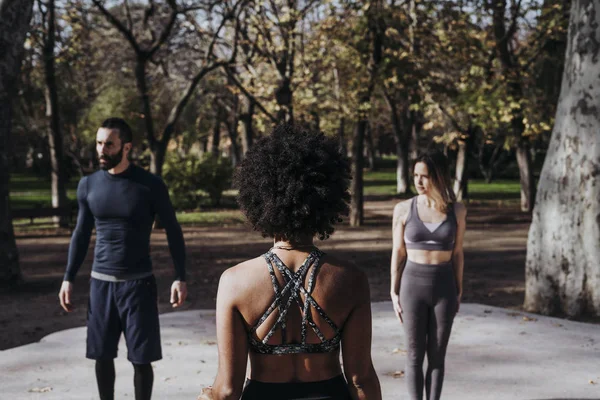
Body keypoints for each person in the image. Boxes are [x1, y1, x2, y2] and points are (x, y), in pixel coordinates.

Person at [203, 124, 381, 400]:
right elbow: (361, 380)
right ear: (327, 198)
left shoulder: (235, 281)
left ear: (260, 198)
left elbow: (227, 390)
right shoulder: (350, 279)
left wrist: (207, 396)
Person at [58, 117, 188, 400]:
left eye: (109, 144)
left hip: (138, 286)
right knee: (102, 357)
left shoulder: (150, 185)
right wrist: (68, 278)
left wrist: (180, 276)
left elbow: (174, 231)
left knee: (141, 360)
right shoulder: (88, 185)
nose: (102, 150)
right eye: (99, 143)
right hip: (101, 284)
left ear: (126, 147)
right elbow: (81, 235)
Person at [389, 151, 466, 400]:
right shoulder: (403, 209)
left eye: (425, 176)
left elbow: (458, 254)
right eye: (416, 176)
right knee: (413, 355)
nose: (419, 181)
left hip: (445, 287)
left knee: (437, 356)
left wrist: (459, 288)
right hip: (412, 286)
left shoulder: (458, 210)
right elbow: (398, 252)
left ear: (439, 177)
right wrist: (393, 290)